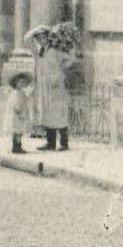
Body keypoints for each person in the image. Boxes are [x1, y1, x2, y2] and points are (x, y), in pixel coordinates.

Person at [24, 23, 76, 151]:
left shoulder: (55, 50)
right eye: (38, 38)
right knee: (47, 113)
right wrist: (39, 27)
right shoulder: (37, 52)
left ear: (48, 38)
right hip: (43, 86)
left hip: (56, 86)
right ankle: (50, 143)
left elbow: (71, 59)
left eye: (43, 37)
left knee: (59, 113)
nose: (41, 40)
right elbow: (26, 39)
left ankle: (64, 143)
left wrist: (61, 71)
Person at [3, 70, 32, 154]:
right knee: (18, 132)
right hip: (17, 116)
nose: (23, 84)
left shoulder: (20, 93)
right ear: (16, 83)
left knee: (18, 132)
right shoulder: (16, 93)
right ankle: (16, 147)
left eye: (24, 82)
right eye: (21, 82)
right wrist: (19, 113)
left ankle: (17, 146)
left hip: (18, 115)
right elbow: (16, 105)